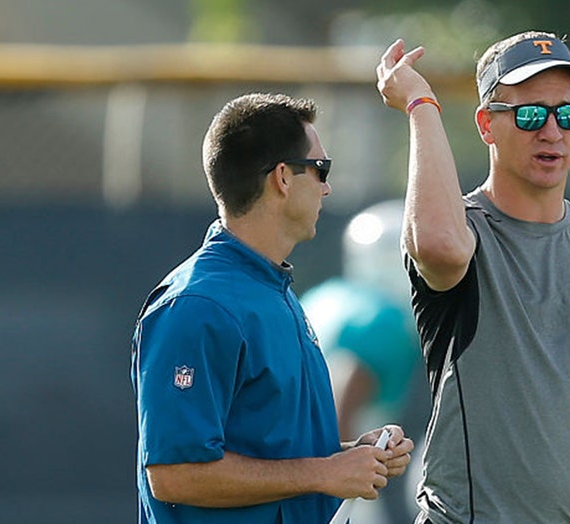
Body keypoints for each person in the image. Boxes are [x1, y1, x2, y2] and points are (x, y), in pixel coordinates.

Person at [376, 32, 570, 523]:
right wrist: (420, 104)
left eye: (567, 114)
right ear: (487, 124)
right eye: (529, 115)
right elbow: (437, 244)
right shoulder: (464, 233)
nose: (552, 131)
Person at [130, 92, 413, 524]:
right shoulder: (196, 306)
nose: (328, 186)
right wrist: (322, 472)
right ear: (282, 177)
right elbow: (174, 475)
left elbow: (272, 456)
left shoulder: (272, 290)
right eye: (321, 169)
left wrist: (350, 457)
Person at [300, 199, 427, 524]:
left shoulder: (324, 298)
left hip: (288, 470)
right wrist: (340, 469)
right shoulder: (383, 320)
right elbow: (344, 385)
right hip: (332, 477)